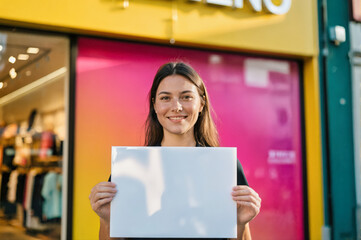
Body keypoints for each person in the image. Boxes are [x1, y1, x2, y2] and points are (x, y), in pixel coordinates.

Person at [89, 62, 261, 240]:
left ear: (201, 104)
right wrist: (107, 220)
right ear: (155, 106)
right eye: (165, 98)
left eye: (186, 97)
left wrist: (240, 223)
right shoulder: (130, 167)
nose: (176, 106)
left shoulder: (225, 167)